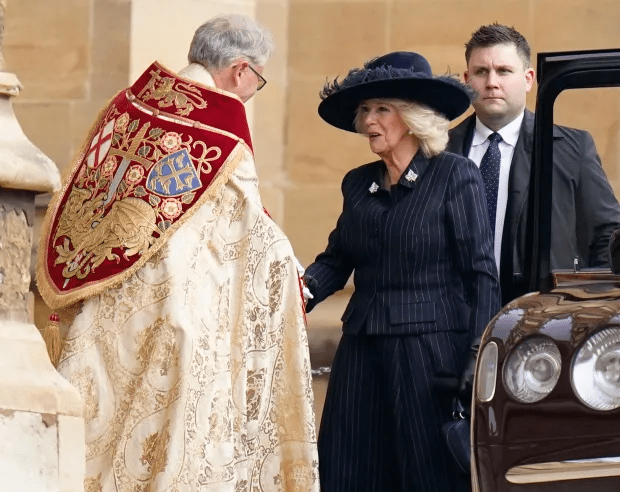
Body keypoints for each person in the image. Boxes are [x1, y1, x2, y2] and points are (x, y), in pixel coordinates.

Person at [36, 14, 319, 491]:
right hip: (177, 306)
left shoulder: (132, 104)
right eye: (258, 80)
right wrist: (288, 267)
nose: (253, 91)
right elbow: (247, 220)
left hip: (106, 293)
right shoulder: (221, 120)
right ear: (240, 70)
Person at [303, 51, 501, 492]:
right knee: (348, 468)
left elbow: (481, 274)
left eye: (381, 109)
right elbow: (337, 259)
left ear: (411, 117)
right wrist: (293, 292)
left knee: (424, 472)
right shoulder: (357, 182)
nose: (368, 120)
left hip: (429, 355)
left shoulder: (455, 175)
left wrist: (477, 355)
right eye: (365, 110)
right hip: (360, 352)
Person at [448, 23, 620, 305]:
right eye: (481, 72)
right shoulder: (437, 150)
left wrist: (584, 304)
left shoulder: (573, 149)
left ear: (528, 79)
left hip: (542, 318)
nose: (492, 82)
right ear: (467, 79)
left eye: (504, 71)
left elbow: (608, 235)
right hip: (450, 322)